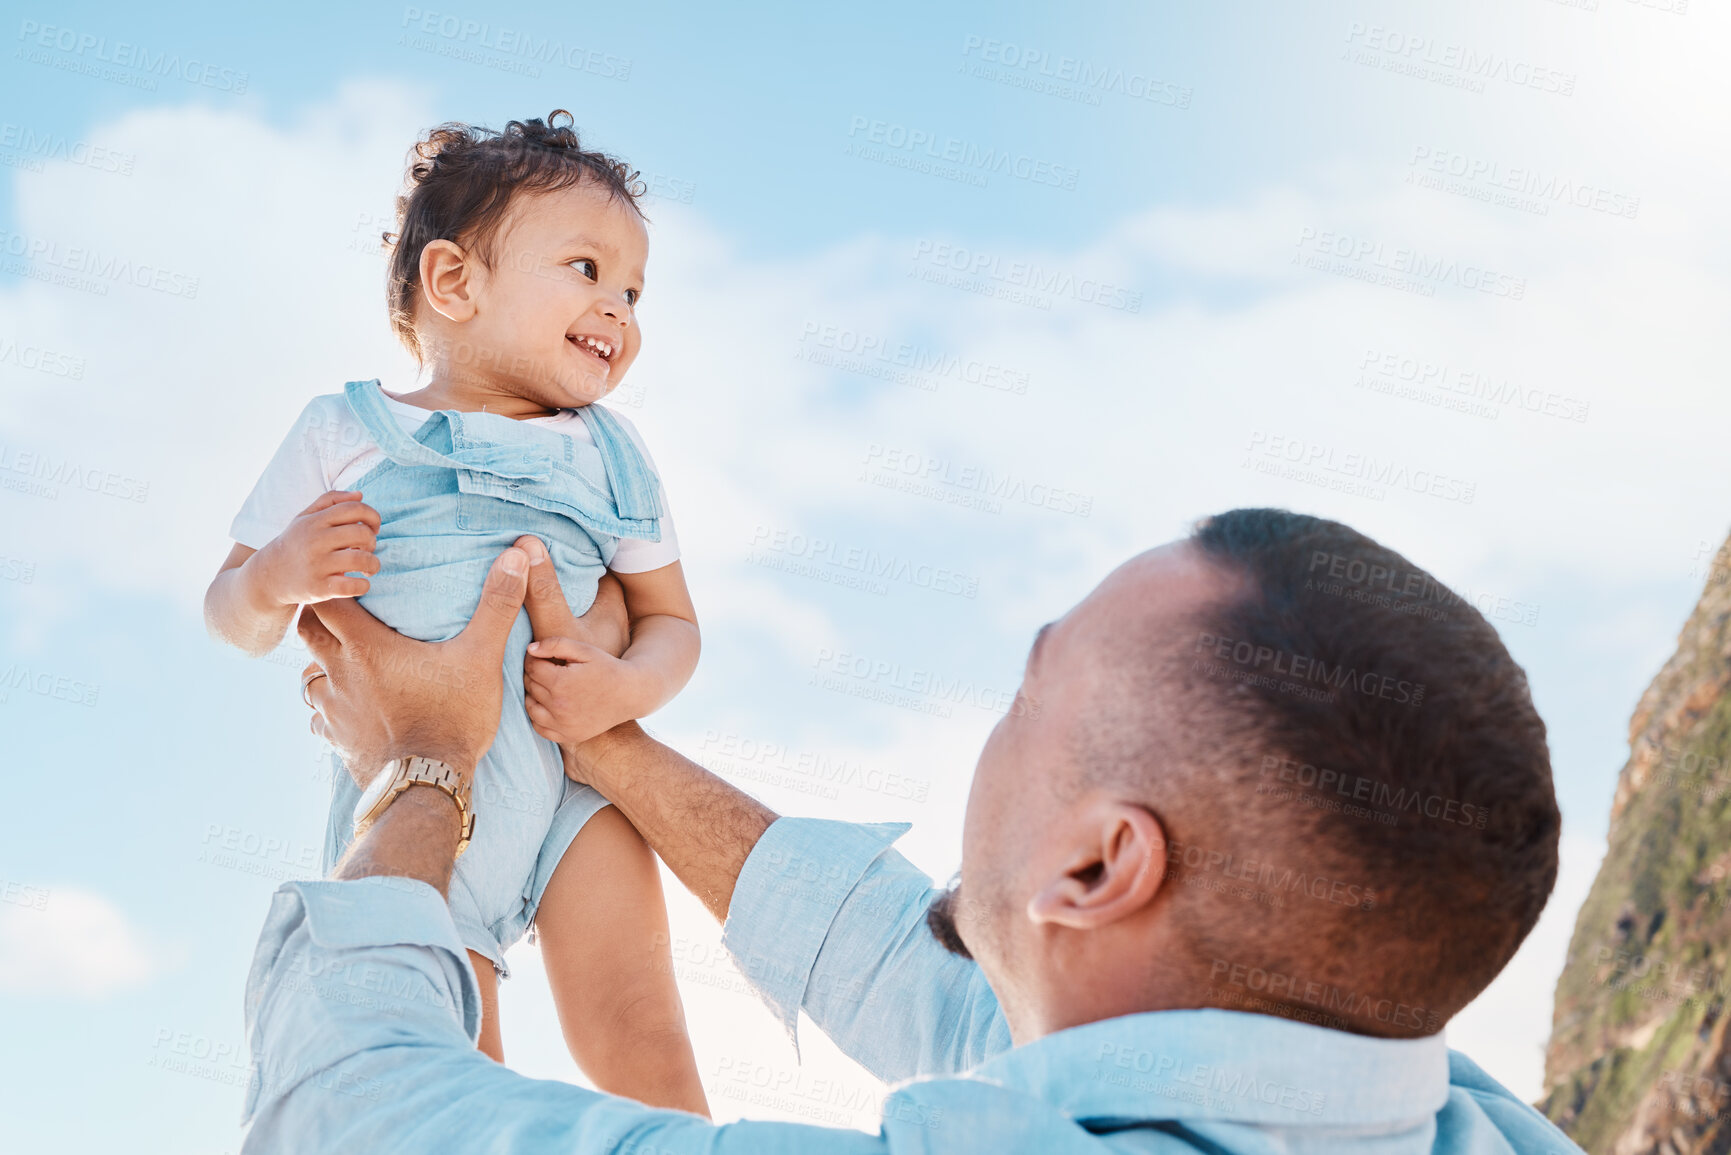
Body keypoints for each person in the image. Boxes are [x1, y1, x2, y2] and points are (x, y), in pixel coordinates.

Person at [246, 508, 1586, 1153]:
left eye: (1029, 687)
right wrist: (605, 741)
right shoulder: (1452, 1118)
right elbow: (932, 974)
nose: (992, 736)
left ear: (1096, 861)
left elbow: (347, 1113)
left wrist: (420, 755)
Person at [206, 111, 706, 1110]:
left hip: (576, 783)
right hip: (422, 785)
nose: (619, 308)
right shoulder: (345, 428)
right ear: (453, 284)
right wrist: (279, 573)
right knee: (448, 1038)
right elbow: (231, 608)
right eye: (585, 267)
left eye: (634, 289)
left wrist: (628, 685)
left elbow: (674, 622)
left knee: (643, 1037)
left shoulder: (612, 454)